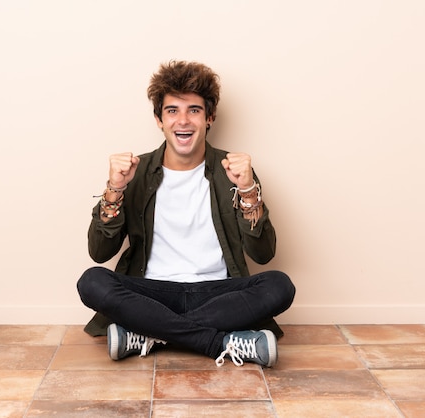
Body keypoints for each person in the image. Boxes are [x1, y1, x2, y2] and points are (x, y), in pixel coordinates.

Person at [77, 60, 295, 368]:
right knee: (92, 282)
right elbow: (100, 253)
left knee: (279, 286)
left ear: (209, 118)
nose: (183, 121)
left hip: (218, 293)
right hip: (152, 293)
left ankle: (148, 334)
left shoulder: (231, 170)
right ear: (158, 119)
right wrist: (114, 188)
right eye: (172, 111)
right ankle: (220, 342)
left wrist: (248, 191)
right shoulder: (136, 172)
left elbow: (263, 254)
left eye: (193, 110)